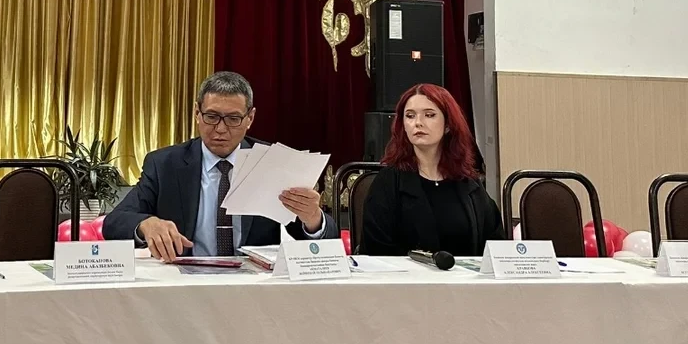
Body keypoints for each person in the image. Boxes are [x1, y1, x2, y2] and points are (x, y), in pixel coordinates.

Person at [104, 71, 337, 260]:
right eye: (212, 117)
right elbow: (114, 223)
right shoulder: (165, 164)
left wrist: (312, 218)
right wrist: (146, 224)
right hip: (185, 283)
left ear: (250, 118)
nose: (221, 129)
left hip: (253, 286)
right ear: (197, 113)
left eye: (233, 119)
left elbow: (326, 240)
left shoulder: (272, 162)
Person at [360, 83, 502, 257]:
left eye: (429, 115)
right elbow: (376, 249)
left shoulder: (468, 183)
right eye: (410, 116)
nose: (418, 123)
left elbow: (495, 245)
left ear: (448, 124)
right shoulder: (387, 182)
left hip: (465, 275)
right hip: (405, 274)